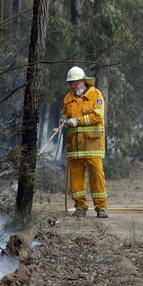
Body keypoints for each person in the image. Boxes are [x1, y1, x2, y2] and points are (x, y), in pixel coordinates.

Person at [59, 65, 108, 218]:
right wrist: (63, 122)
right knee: (76, 177)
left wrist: (77, 121)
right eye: (70, 83)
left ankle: (101, 208)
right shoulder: (68, 98)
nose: (72, 86)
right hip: (74, 147)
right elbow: (66, 116)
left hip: (92, 145)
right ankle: (80, 207)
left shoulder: (96, 95)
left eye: (74, 83)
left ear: (82, 81)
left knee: (96, 176)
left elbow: (98, 117)